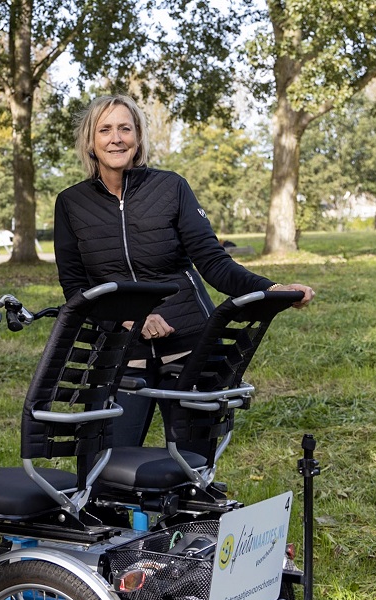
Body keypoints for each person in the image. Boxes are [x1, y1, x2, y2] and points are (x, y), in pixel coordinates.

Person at [54, 94, 315, 447]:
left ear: (139, 138)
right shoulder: (71, 203)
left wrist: (272, 289)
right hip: (120, 354)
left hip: (190, 347)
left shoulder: (170, 187)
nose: (116, 138)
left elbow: (213, 262)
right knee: (108, 466)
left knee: (190, 470)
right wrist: (128, 320)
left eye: (125, 128)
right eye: (105, 129)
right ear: (90, 141)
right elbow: (76, 289)